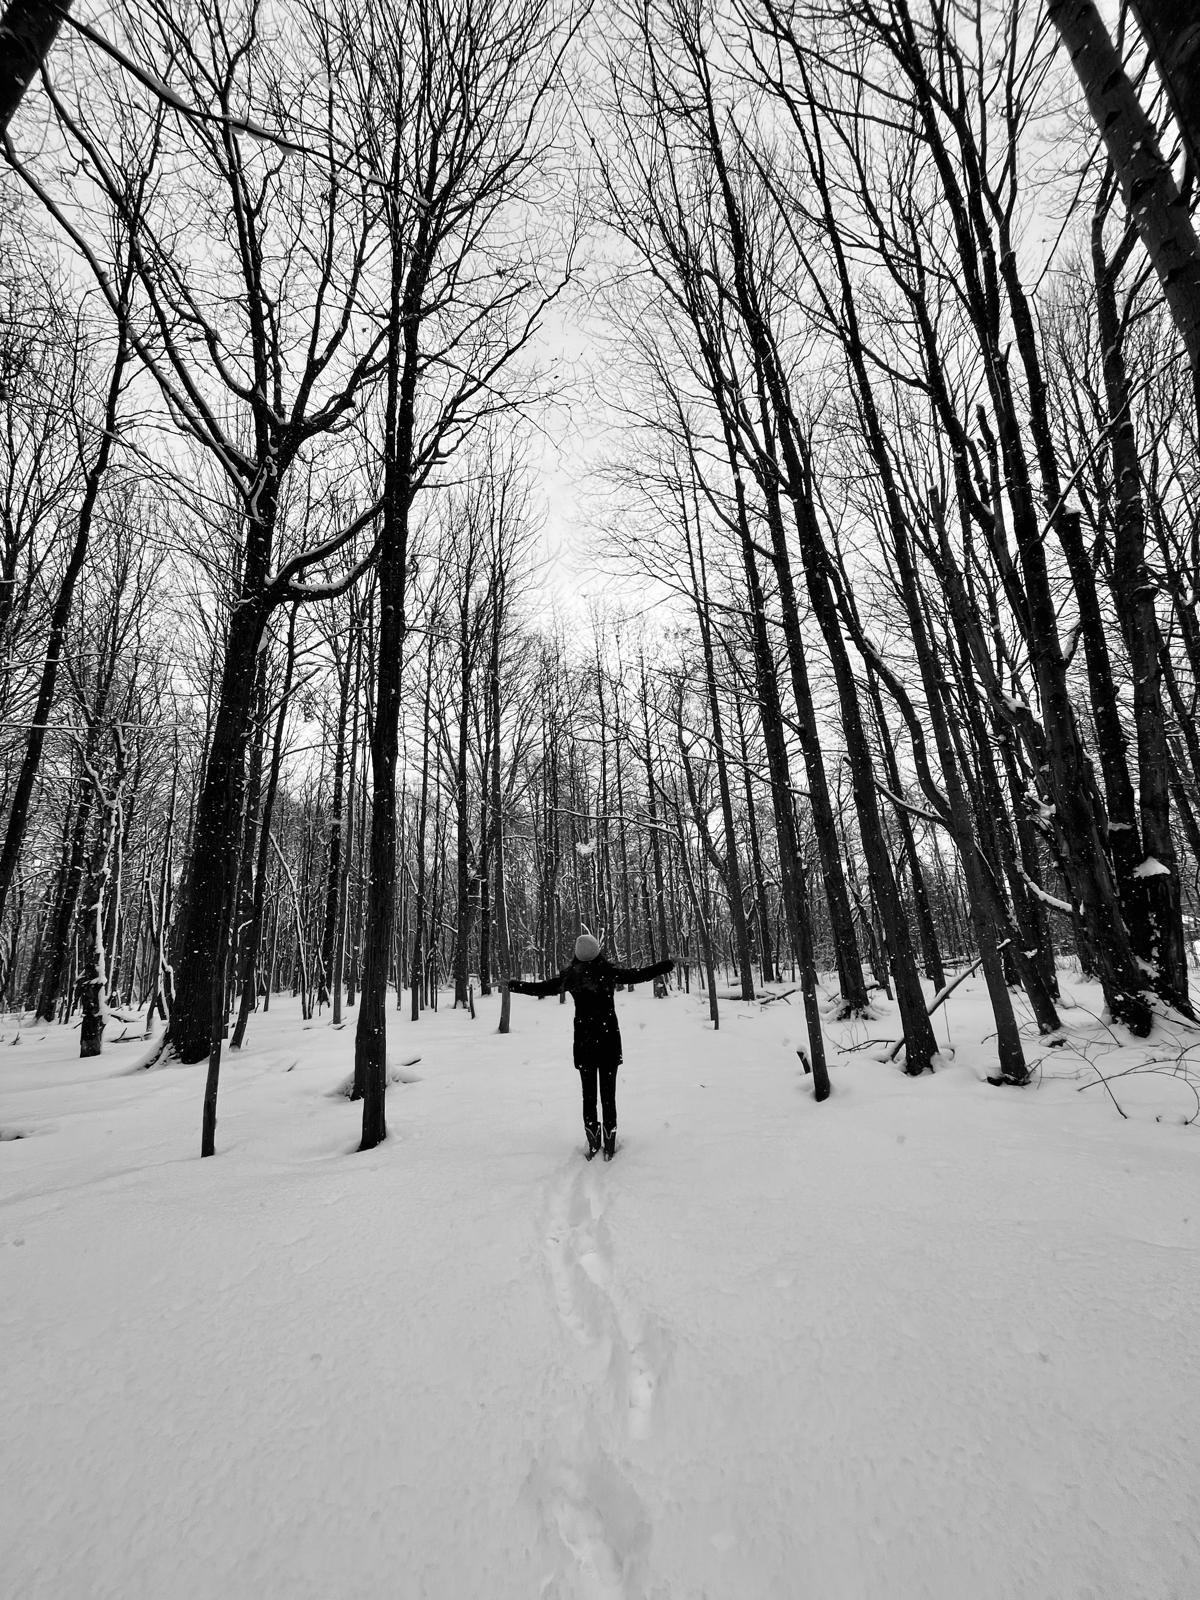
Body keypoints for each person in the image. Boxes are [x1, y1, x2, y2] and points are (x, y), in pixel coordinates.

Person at [506, 934, 675, 1160]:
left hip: (585, 1044)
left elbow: (542, 988)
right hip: (608, 1042)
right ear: (597, 951)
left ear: (577, 955)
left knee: (589, 1096)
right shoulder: (608, 972)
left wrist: (512, 985)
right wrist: (669, 964)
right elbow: (640, 974)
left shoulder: (571, 977)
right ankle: (609, 1142)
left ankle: (594, 1142)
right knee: (608, 1095)